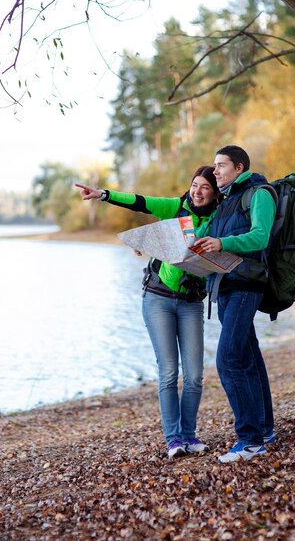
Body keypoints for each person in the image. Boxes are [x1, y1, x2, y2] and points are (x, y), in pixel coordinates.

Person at [76, 167, 220, 459]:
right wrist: (103, 194)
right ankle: (174, 439)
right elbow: (139, 201)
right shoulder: (175, 208)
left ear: (216, 192)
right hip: (158, 300)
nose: (198, 191)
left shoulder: (221, 218)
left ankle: (189, 435)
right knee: (168, 372)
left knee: (194, 376)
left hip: (191, 302)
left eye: (205, 187)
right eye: (194, 185)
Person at [195, 145, 277, 463]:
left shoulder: (259, 194)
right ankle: (264, 429)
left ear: (239, 167)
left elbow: (260, 237)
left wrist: (222, 243)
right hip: (225, 289)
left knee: (228, 360)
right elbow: (208, 240)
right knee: (248, 359)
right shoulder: (226, 201)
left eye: (221, 165)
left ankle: (250, 440)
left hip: (246, 286)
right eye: (214, 166)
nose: (214, 171)